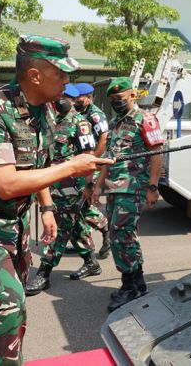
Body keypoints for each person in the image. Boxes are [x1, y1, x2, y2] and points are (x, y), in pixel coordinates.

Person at [0, 35, 112, 366]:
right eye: (61, 74)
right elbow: (6, 184)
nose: (67, 82)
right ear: (34, 75)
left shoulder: (43, 109)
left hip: (10, 225)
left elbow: (37, 163)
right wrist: (71, 167)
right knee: (9, 304)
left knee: (5, 314)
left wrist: (46, 208)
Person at [91, 76, 165, 312]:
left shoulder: (145, 119)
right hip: (114, 187)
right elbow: (108, 158)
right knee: (120, 235)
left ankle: (130, 287)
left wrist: (153, 188)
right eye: (112, 99)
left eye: (120, 98)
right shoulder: (114, 124)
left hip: (133, 187)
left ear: (132, 95)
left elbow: (156, 153)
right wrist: (97, 186)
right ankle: (137, 283)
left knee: (122, 234)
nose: (116, 102)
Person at [25, 84, 101, 296]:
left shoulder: (80, 123)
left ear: (74, 99)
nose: (61, 100)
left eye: (66, 97)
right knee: (74, 225)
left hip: (71, 186)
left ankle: (44, 273)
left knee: (59, 229)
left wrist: (89, 185)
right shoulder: (51, 120)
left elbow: (89, 155)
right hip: (52, 184)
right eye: (60, 96)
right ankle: (91, 262)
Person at [75, 82, 111, 259]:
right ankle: (84, 241)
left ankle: (106, 230)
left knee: (83, 202)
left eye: (78, 98)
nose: (75, 100)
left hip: (91, 164)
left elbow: (104, 138)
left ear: (88, 98)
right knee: (82, 203)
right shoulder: (81, 112)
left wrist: (92, 160)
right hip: (80, 163)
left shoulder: (95, 114)